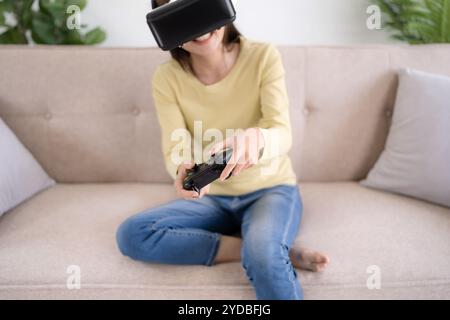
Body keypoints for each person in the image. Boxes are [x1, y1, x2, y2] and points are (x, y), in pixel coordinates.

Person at [116, 0, 329, 300]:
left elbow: (282, 132)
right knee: (131, 234)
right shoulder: (167, 78)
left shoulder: (263, 56)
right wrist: (183, 168)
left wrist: (256, 138)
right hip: (212, 197)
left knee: (264, 258)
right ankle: (263, 248)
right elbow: (176, 144)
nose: (198, 28)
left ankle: (265, 249)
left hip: (270, 190)